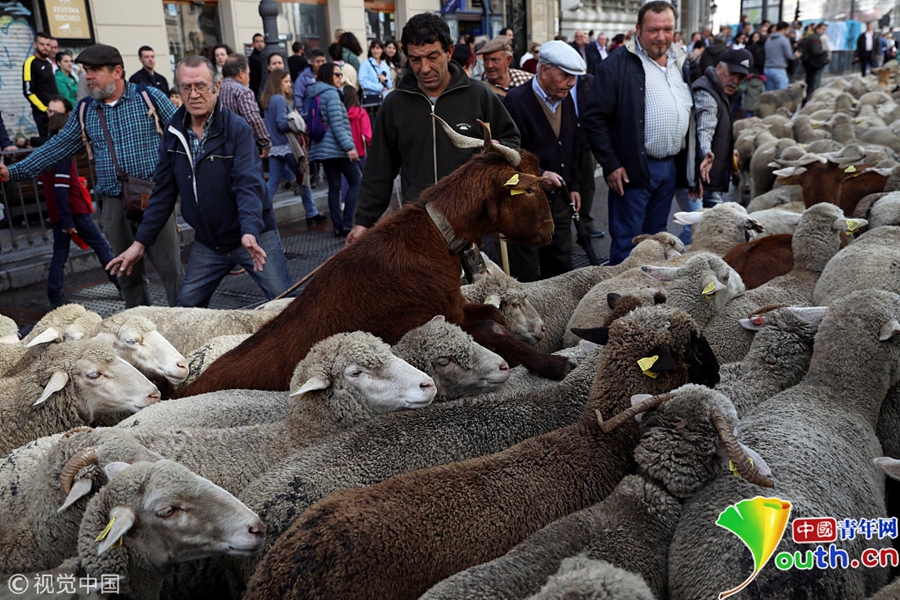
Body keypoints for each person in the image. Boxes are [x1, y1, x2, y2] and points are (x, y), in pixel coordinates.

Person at [1, 44, 182, 307]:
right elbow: (56, 148)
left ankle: (187, 322)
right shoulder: (85, 109)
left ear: (117, 71)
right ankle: (138, 327)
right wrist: (12, 171)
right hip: (113, 203)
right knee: (127, 275)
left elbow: (184, 137)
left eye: (95, 70)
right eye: (86, 70)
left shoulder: (150, 97)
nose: (88, 77)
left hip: (153, 198)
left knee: (171, 271)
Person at [107, 55, 293, 308]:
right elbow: (162, 193)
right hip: (209, 242)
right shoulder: (173, 133)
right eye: (186, 87)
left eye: (201, 86)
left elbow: (247, 185)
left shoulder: (237, 128)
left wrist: (249, 231)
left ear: (216, 87)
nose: (194, 94)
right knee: (186, 309)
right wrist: (139, 243)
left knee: (285, 303)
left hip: (253, 236)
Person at [346, 12, 519, 246]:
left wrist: (499, 151)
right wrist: (364, 222)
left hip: (473, 224)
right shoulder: (395, 103)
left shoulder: (479, 95)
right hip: (419, 225)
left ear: (449, 52)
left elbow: (511, 140)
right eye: (415, 59)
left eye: (432, 56)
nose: (424, 68)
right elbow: (379, 168)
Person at [583, 0, 694, 265]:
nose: (661, 37)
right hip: (632, 169)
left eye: (667, 29)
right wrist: (611, 164)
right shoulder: (616, 65)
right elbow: (594, 118)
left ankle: (649, 289)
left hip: (669, 168)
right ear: (638, 29)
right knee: (628, 245)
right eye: (653, 30)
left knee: (657, 241)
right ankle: (622, 290)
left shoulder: (680, 62)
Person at [503, 41, 586, 282]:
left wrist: (575, 186)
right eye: (565, 76)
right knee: (526, 271)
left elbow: (572, 146)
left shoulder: (566, 99)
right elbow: (510, 156)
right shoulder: (516, 101)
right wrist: (540, 175)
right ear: (543, 70)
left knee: (561, 267)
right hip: (524, 202)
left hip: (558, 200)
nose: (571, 83)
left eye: (574, 77)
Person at [40, 111, 120, 308]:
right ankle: (121, 284)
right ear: (62, 130)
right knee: (101, 245)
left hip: (59, 211)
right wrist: (67, 219)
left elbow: (47, 185)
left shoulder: (47, 150)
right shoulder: (63, 152)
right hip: (73, 210)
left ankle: (55, 295)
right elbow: (61, 187)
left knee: (60, 253)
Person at [260, 67, 324, 225]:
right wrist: (295, 119)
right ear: (278, 82)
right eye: (286, 81)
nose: (290, 84)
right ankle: (311, 212)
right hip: (287, 147)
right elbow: (282, 123)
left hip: (275, 147)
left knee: (272, 183)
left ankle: (260, 213)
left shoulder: (268, 100)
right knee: (303, 178)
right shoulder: (280, 99)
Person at [692, 49, 752, 207]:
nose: (735, 80)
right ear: (719, 67)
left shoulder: (721, 93)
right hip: (702, 176)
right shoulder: (707, 94)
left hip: (709, 176)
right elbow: (704, 129)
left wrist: (727, 151)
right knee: (707, 218)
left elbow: (718, 131)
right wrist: (705, 154)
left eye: (741, 77)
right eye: (732, 73)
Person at [306, 62, 359, 237]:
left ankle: (337, 226)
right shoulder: (332, 94)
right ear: (328, 75)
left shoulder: (316, 93)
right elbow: (338, 125)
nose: (340, 78)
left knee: (334, 186)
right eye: (337, 74)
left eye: (341, 74)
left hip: (323, 149)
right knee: (356, 181)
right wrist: (349, 147)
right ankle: (348, 223)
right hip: (337, 148)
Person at [219, 53, 271, 158]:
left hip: (220, 147)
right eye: (248, 74)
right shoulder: (242, 91)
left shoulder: (216, 90)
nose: (249, 78)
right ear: (241, 73)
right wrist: (265, 143)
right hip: (242, 146)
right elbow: (253, 119)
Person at [23, 31, 56, 136]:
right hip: (43, 114)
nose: (45, 47)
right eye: (42, 44)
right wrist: (44, 109)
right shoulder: (30, 62)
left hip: (56, 111)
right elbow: (28, 91)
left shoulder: (48, 63)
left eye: (48, 45)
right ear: (35, 45)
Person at [763, 21, 797, 91]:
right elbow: (789, 55)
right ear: (784, 29)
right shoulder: (784, 40)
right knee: (782, 93)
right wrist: (796, 55)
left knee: (770, 93)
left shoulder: (768, 40)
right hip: (779, 69)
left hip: (767, 68)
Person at [359, 39, 393, 106]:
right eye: (373, 48)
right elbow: (362, 81)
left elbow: (389, 85)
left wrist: (385, 80)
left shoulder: (384, 65)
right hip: (371, 98)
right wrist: (379, 87)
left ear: (382, 50)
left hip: (384, 98)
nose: (375, 51)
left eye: (378, 48)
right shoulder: (365, 63)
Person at [801, 23, 829, 102]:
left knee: (810, 81)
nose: (824, 31)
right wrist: (824, 52)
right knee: (811, 83)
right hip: (812, 64)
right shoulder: (815, 38)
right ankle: (808, 99)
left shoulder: (814, 37)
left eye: (825, 30)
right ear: (817, 29)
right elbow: (815, 51)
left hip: (810, 63)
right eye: (823, 29)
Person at [249, 33, 266, 98]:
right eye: (257, 42)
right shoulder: (253, 58)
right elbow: (253, 79)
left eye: (261, 41)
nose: (259, 44)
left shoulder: (266, 55)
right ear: (253, 44)